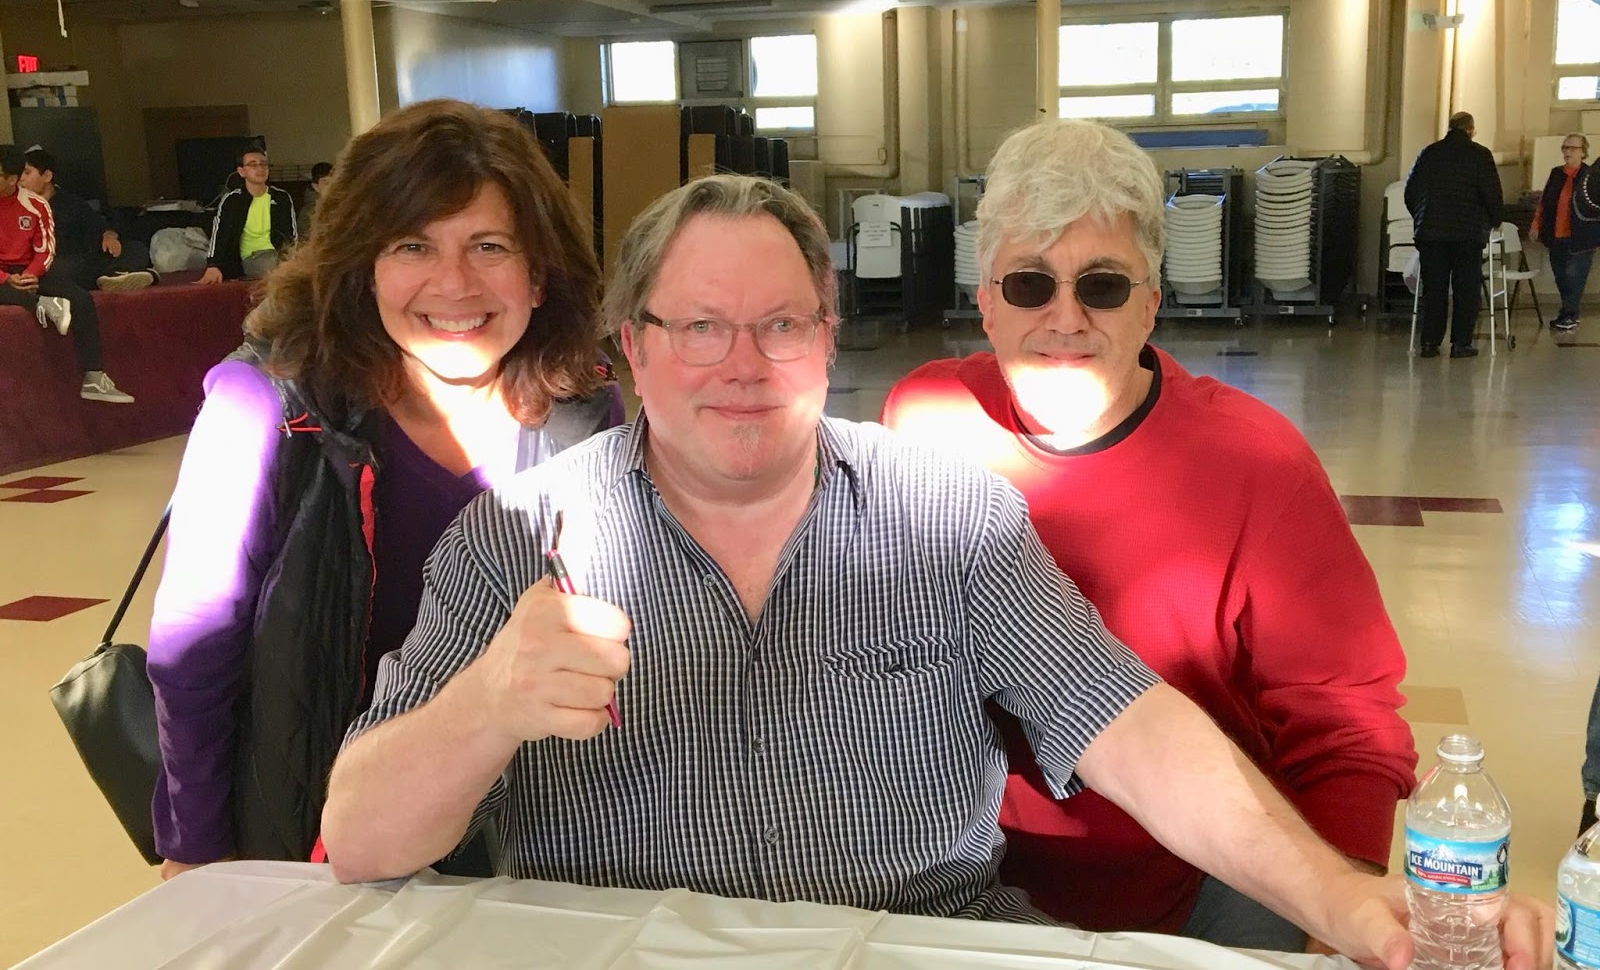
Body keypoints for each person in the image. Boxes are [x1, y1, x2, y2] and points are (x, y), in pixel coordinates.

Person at [320, 174, 1551, 970]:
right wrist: (486, 705)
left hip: (921, 945)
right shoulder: (515, 538)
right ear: (631, 347)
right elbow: (361, 838)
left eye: (781, 323)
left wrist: (1344, 902)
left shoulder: (943, 513)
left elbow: (1130, 727)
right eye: (698, 326)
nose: (741, 362)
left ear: (826, 338)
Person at [880, 119, 1417, 949]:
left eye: (1102, 286)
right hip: (967, 874)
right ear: (984, 302)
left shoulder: (1256, 464)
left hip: (1203, 870)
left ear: (1150, 305)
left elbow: (1346, 717)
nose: (1065, 318)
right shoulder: (924, 418)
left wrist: (1341, 912)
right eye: (1029, 284)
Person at [147, 100, 624, 878]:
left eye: (489, 246)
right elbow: (195, 645)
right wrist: (196, 848)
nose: (454, 283)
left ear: (540, 274)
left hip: (531, 842)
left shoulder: (587, 411)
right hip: (317, 833)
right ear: (362, 269)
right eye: (412, 245)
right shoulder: (267, 406)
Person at [0, 144, 136, 403]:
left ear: (12, 179)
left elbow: (45, 249)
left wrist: (31, 275)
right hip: (2, 274)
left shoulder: (36, 204)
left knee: (81, 299)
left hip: (30, 269)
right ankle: (40, 303)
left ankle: (94, 376)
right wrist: (6, 278)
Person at [1404, 110, 1503, 358]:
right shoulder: (1480, 154)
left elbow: (1411, 191)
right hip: (1467, 234)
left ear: (1449, 128)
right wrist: (1495, 219)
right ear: (1470, 129)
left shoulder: (1429, 153)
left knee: (1434, 290)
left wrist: (1421, 218)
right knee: (1466, 290)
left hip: (1431, 234)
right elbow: (1491, 192)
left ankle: (1429, 343)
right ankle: (1461, 343)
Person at [19, 145, 156, 291]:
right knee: (60, 270)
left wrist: (109, 235)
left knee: (135, 248)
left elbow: (99, 226)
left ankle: (117, 275)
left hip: (87, 257)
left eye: (27, 172)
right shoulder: (20, 207)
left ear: (47, 176)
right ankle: (123, 274)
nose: (21, 179)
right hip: (55, 263)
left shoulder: (71, 202)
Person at [197, 145, 296, 283]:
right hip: (252, 257)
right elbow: (220, 234)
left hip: (280, 255)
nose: (260, 168)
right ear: (241, 171)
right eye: (253, 165)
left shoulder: (281, 197)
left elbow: (291, 233)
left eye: (263, 164)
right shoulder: (233, 200)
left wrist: (292, 257)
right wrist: (213, 264)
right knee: (275, 266)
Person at [1530, 133, 1599, 333]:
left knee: (1574, 277)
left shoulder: (1591, 175)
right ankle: (1568, 314)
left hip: (1582, 237)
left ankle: (1568, 315)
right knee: (1561, 276)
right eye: (1565, 148)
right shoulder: (1556, 173)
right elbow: (1544, 202)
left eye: (1573, 148)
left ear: (1583, 152)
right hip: (1556, 235)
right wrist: (1536, 225)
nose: (1568, 152)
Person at [296, 160, 334, 239]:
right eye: (326, 183)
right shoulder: (308, 213)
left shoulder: (345, 205)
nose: (331, 187)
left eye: (333, 182)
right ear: (315, 186)